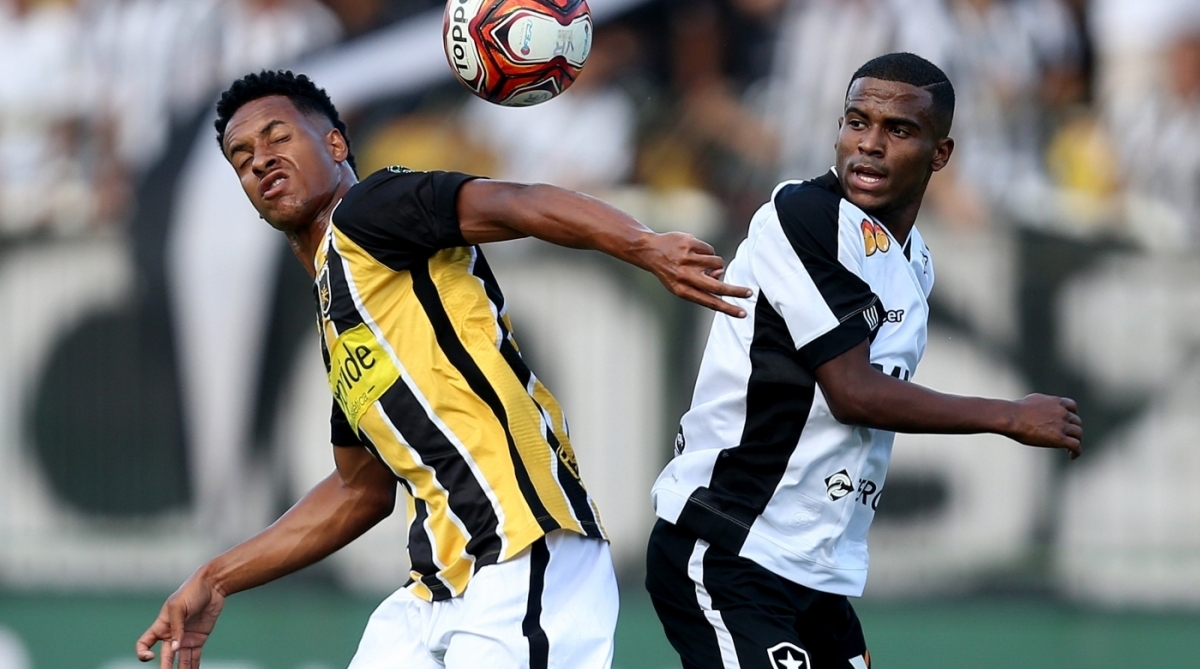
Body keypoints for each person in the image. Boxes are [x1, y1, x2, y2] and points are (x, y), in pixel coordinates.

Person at [134, 69, 750, 669]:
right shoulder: (338, 308)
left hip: (523, 552)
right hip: (437, 589)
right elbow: (358, 490)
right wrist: (216, 577)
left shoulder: (370, 210)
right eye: (241, 156)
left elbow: (515, 202)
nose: (261, 160)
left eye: (278, 136)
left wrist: (643, 244)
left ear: (335, 144)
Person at [644, 52, 1083, 669]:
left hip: (811, 569)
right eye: (858, 122)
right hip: (729, 546)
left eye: (898, 129)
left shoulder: (914, 259)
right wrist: (1008, 416)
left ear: (940, 154)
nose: (869, 144)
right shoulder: (804, 216)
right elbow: (853, 392)